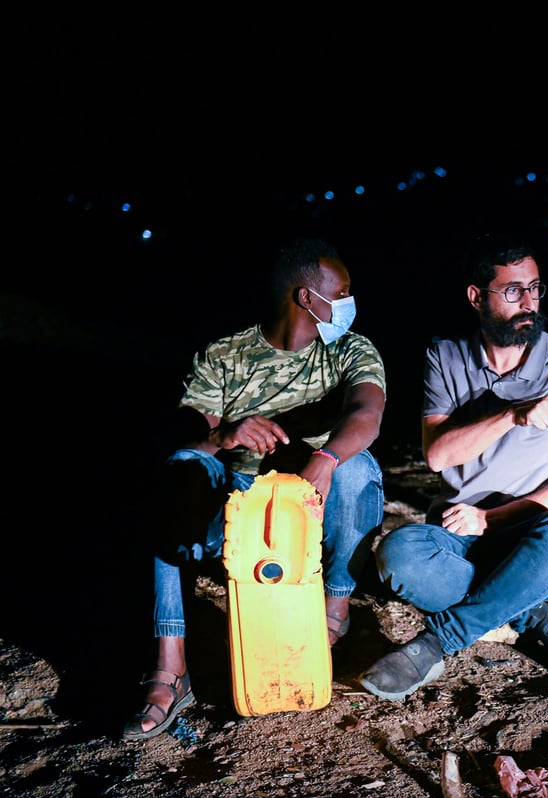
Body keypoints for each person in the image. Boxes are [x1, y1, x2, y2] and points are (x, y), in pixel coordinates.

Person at [122, 237, 387, 741]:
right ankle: (170, 665)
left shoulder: (350, 350)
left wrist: (326, 457)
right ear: (308, 297)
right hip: (239, 495)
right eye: (344, 291)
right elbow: (184, 437)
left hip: (314, 491)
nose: (351, 302)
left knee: (357, 468)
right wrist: (223, 434)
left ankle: (332, 608)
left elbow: (366, 413)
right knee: (180, 469)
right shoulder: (226, 355)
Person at [359, 235, 548, 701]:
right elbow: (438, 455)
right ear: (477, 297)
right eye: (513, 290)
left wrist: (490, 519)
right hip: (458, 535)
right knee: (400, 553)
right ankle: (534, 614)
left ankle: (437, 643)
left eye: (534, 288)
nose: (528, 301)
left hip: (535, 538)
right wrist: (512, 414)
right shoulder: (445, 358)